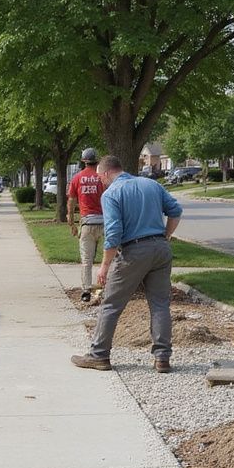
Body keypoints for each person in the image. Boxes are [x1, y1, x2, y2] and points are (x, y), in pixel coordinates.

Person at [71, 154, 182, 373]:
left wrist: (104, 266)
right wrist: (165, 237)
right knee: (160, 304)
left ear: (104, 173)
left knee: (111, 303)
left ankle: (99, 355)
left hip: (134, 251)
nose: (101, 183)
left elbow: (113, 233)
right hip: (160, 249)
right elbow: (176, 212)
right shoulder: (151, 184)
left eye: (100, 178)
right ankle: (162, 358)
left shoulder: (112, 193)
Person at [67, 146, 105, 301]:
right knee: (111, 257)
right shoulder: (103, 177)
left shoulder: (77, 178)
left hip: (87, 224)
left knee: (86, 260)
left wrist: (71, 221)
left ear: (83, 161)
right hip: (105, 223)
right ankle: (110, 287)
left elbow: (71, 201)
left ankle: (86, 291)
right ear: (97, 160)